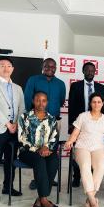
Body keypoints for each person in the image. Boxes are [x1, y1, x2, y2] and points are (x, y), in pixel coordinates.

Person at [64, 92, 104, 207]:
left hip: (98, 147)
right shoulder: (83, 116)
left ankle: (90, 199)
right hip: (82, 147)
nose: (96, 104)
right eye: (94, 102)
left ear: (103, 104)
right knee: (85, 166)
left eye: (99, 102)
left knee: (99, 167)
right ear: (90, 103)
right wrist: (70, 141)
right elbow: (75, 133)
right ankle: (93, 200)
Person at [0, 57, 25, 202]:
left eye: (9, 66)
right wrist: (8, 124)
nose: (6, 68)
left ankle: (8, 187)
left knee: (11, 160)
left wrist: (17, 125)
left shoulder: (18, 88)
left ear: (12, 69)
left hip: (15, 130)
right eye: (2, 66)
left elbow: (22, 108)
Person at [24, 58, 66, 190]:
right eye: (47, 66)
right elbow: (27, 99)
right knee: (37, 152)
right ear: (43, 66)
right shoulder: (33, 79)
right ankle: (38, 180)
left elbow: (61, 101)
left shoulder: (60, 83)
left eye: (53, 67)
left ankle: (48, 178)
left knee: (51, 150)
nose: (50, 69)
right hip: (35, 122)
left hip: (54, 123)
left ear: (56, 68)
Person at [18, 91, 59, 207]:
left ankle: (40, 198)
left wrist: (47, 148)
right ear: (33, 101)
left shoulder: (52, 119)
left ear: (47, 102)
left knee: (54, 161)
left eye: (44, 100)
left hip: (46, 151)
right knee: (39, 160)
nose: (41, 103)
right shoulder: (24, 117)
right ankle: (45, 200)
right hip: (27, 152)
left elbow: (54, 137)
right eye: (38, 100)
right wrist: (38, 150)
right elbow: (21, 139)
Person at [68, 62, 104, 187]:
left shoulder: (101, 88)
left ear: (95, 72)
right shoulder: (75, 86)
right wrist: (71, 124)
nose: (90, 72)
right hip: (80, 124)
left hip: (95, 125)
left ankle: (89, 179)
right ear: (83, 71)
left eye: (92, 70)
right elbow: (71, 107)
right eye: (87, 70)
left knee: (94, 151)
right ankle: (76, 177)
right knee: (78, 151)